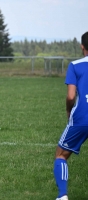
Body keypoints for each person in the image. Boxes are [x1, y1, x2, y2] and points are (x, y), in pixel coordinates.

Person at [53, 32, 88, 200]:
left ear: (82, 46)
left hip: (82, 117)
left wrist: (68, 110)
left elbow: (71, 96)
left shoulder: (75, 65)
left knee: (61, 155)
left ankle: (62, 196)